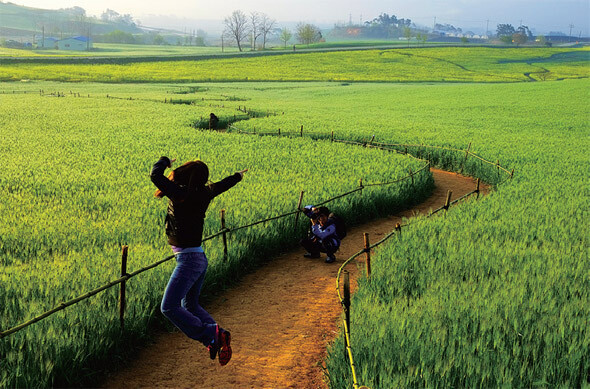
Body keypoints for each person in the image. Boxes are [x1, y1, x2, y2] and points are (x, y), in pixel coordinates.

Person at [150, 156, 247, 366]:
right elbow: (223, 185)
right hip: (198, 257)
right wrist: (238, 176)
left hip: (189, 260)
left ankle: (210, 334)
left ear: (185, 174)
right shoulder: (203, 193)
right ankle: (217, 337)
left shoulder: (181, 194)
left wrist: (164, 161)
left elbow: (155, 176)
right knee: (190, 305)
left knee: (169, 307)